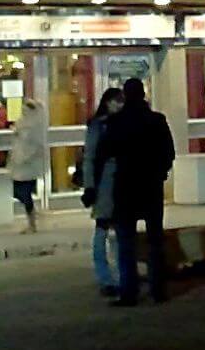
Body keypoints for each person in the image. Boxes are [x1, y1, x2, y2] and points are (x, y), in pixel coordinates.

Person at [90, 77, 174, 307]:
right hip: (151, 187)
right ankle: (158, 290)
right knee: (155, 240)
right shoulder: (156, 120)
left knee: (126, 241)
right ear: (144, 94)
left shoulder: (117, 122)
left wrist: (94, 185)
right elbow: (169, 152)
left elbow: (103, 153)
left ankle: (129, 291)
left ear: (126, 96)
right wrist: (160, 173)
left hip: (125, 187)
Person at [80, 87, 125, 296]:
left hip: (121, 184)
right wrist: (89, 186)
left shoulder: (123, 123)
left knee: (120, 232)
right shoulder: (98, 125)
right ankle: (105, 277)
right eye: (116, 101)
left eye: (121, 101)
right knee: (102, 229)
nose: (119, 105)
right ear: (107, 102)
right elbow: (89, 157)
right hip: (104, 184)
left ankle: (120, 276)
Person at [8, 98, 47, 233]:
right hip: (20, 164)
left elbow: (35, 146)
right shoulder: (22, 122)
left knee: (24, 193)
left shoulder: (36, 126)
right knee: (18, 191)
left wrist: (24, 157)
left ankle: (32, 222)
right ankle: (32, 216)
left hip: (28, 165)